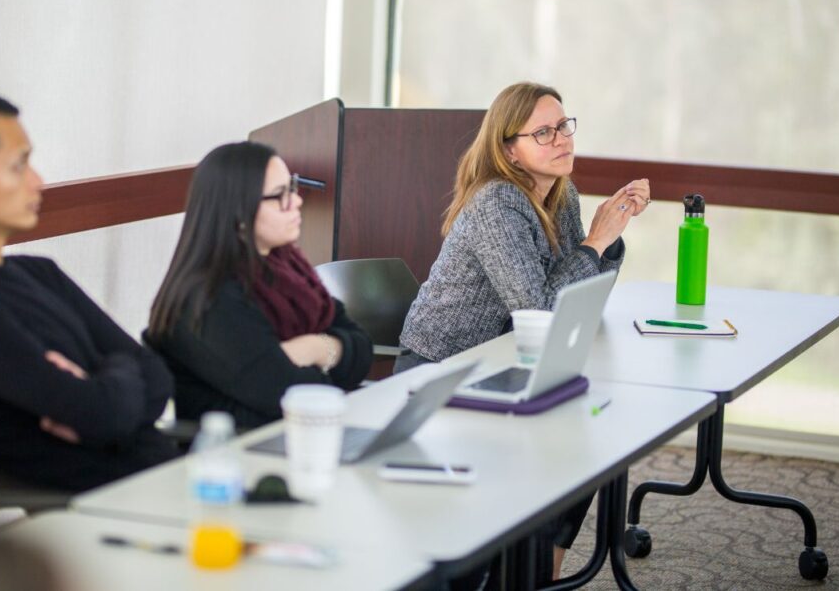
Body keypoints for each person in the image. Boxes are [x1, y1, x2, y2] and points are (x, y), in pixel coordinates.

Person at [397, 81, 651, 580]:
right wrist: (595, 242)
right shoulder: (497, 203)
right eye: (543, 132)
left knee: (590, 438)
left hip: (509, 361)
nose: (561, 139)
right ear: (510, 150)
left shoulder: (561, 193)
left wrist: (606, 240)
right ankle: (529, 574)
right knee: (560, 446)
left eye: (563, 126)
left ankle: (540, 573)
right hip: (445, 369)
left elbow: (577, 297)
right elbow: (538, 306)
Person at [0, 91, 179, 493]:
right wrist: (111, 387)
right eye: (19, 165)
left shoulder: (40, 273)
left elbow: (157, 377)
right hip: (100, 516)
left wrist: (102, 387)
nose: (38, 181)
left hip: (164, 482)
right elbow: (104, 415)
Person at [146, 142, 372, 429]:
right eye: (281, 195)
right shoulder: (211, 298)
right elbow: (296, 394)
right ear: (239, 214)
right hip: (237, 456)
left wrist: (315, 348)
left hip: (295, 436)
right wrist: (336, 357)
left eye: (292, 187)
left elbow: (363, 348)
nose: (297, 200)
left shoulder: (289, 269)